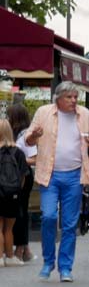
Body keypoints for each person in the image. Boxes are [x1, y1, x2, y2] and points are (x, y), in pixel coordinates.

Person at [24, 82, 89, 282]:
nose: (74, 100)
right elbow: (28, 140)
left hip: (74, 175)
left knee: (69, 224)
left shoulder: (84, 114)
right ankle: (48, 262)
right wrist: (34, 136)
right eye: (69, 97)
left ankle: (65, 267)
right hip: (49, 175)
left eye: (75, 97)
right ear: (58, 98)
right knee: (48, 217)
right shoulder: (43, 112)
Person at [6, 104, 35, 264]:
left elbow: (35, 158)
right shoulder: (11, 133)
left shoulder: (26, 134)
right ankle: (25, 248)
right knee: (16, 211)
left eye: (9, 115)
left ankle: (20, 248)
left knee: (20, 211)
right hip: (12, 175)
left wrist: (16, 159)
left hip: (23, 176)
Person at [0, 120, 27, 265]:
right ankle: (10, 257)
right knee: (9, 228)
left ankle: (0, 258)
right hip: (13, 195)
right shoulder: (19, 152)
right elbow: (22, 177)